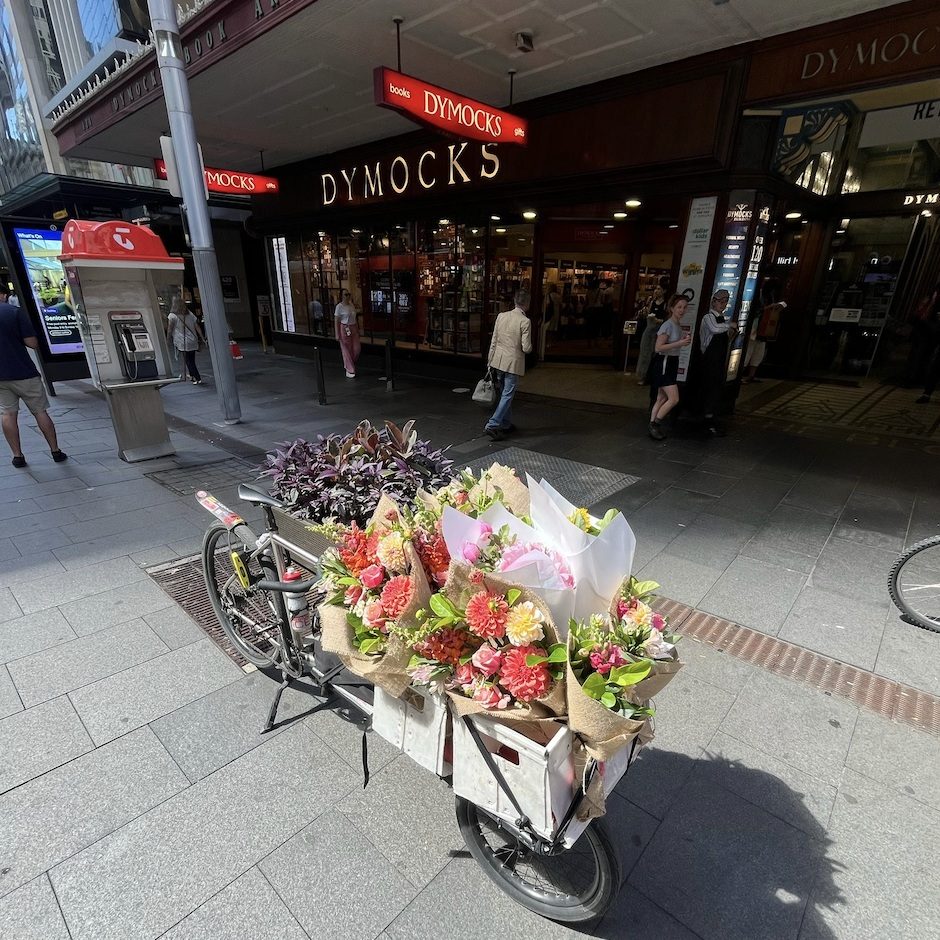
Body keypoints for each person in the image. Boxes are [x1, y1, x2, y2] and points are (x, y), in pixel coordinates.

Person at [0, 285, 67, 468]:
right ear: (4, 295)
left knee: (7, 413)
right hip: (24, 372)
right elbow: (32, 343)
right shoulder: (14, 312)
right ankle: (55, 451)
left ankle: (17, 456)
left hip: (1, 377)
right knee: (40, 411)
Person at [484, 288, 532, 441]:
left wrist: (490, 360)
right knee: (507, 394)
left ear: (515, 301)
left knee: (504, 393)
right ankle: (492, 424)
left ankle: (506, 423)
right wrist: (530, 348)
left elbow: (494, 340)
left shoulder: (501, 316)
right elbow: (526, 347)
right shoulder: (525, 321)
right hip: (513, 363)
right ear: (527, 304)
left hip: (498, 361)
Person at [649, 293, 692, 440]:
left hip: (671, 362)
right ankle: (655, 424)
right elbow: (658, 347)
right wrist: (680, 343)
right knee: (673, 399)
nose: (682, 310)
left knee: (661, 398)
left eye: (684, 307)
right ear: (672, 308)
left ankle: (652, 426)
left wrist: (681, 340)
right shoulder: (668, 325)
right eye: (679, 307)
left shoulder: (676, 325)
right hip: (665, 363)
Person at [699, 289, 737, 435]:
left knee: (715, 390)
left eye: (725, 301)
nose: (722, 304)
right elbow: (715, 329)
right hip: (709, 361)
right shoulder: (708, 317)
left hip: (719, 360)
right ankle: (707, 420)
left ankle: (712, 419)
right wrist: (730, 326)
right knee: (709, 390)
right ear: (713, 301)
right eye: (719, 301)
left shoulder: (722, 319)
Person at [166, 297, 207, 385]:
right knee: (191, 359)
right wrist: (202, 338)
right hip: (193, 340)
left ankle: (197, 378)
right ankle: (192, 375)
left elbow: (169, 330)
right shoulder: (189, 313)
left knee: (188, 361)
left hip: (182, 341)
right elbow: (197, 327)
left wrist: (168, 340)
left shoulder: (172, 316)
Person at [636, 288, 665, 385]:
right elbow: (648, 314)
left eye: (659, 289)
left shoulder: (665, 304)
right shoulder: (651, 302)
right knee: (645, 352)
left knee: (655, 354)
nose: (656, 291)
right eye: (656, 289)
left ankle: (651, 376)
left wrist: (658, 320)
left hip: (658, 331)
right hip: (649, 329)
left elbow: (665, 318)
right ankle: (642, 376)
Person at [335, 289, 360, 378]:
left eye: (349, 294)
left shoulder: (351, 305)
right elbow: (337, 320)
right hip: (344, 327)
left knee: (356, 348)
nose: (348, 296)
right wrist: (337, 333)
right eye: (346, 294)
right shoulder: (339, 307)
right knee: (346, 348)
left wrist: (357, 329)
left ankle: (350, 363)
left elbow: (354, 318)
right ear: (342, 296)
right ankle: (350, 369)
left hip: (353, 327)